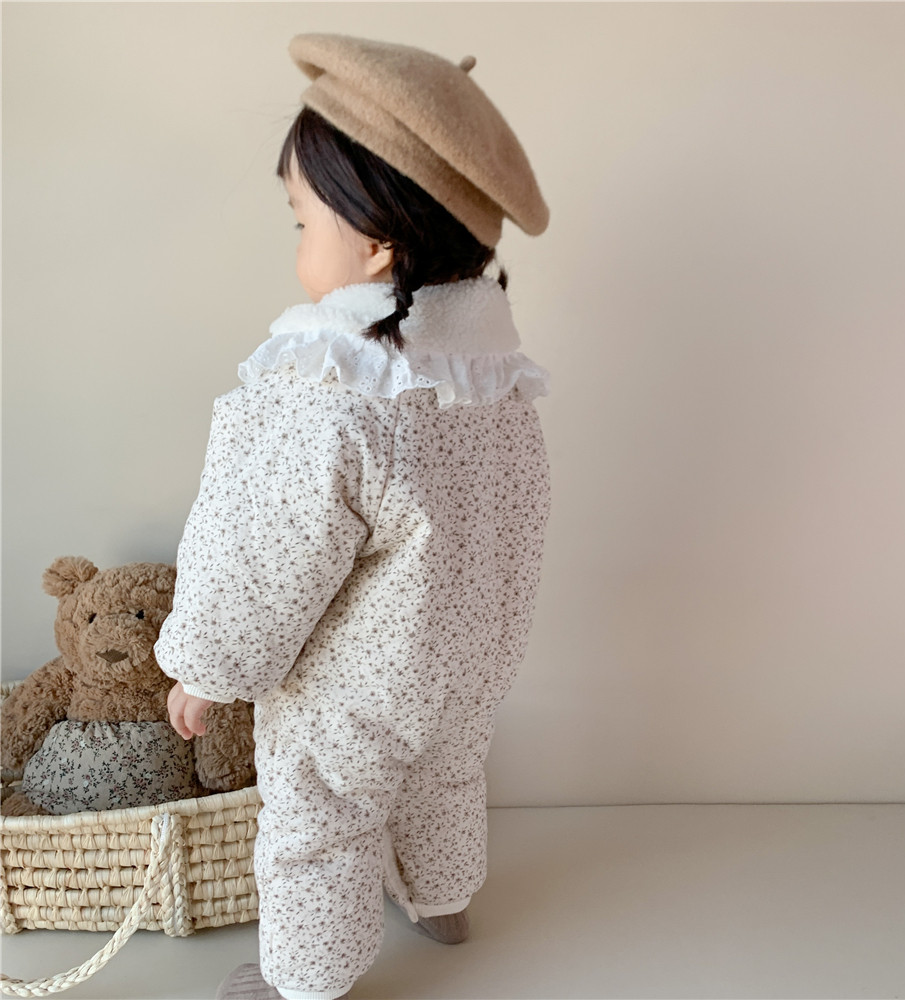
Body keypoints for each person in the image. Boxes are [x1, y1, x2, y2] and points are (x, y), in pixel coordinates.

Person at [156, 33, 551, 1000]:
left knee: (320, 817)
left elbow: (263, 551)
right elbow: (516, 520)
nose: (298, 246)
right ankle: (444, 900)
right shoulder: (493, 381)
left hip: (354, 686)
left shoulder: (329, 390)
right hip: (470, 656)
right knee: (446, 773)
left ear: (376, 243)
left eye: (302, 222)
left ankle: (306, 978)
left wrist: (206, 667)